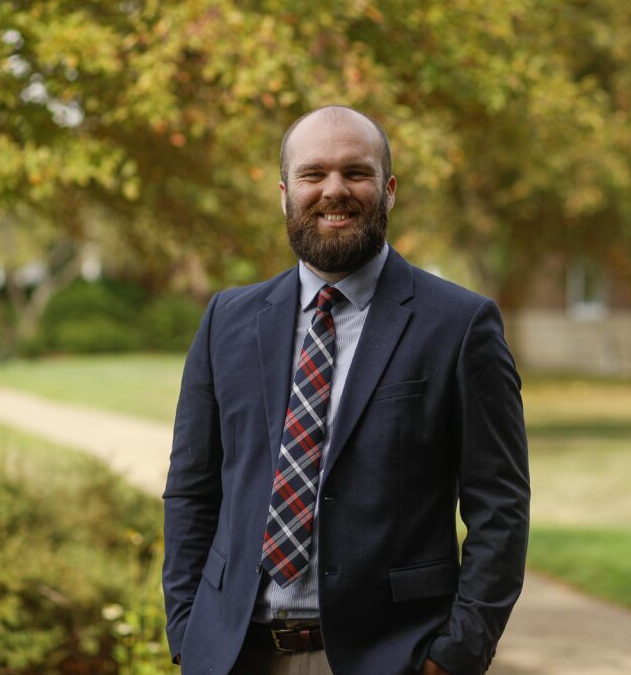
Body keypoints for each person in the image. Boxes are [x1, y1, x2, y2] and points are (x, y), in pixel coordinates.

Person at [163, 106, 530, 675]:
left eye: (355, 173)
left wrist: (457, 655)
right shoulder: (226, 321)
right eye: (314, 175)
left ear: (388, 190)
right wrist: (188, 634)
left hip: (391, 656)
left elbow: (500, 508)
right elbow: (191, 491)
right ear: (285, 193)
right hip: (233, 655)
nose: (334, 190)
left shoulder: (459, 326)